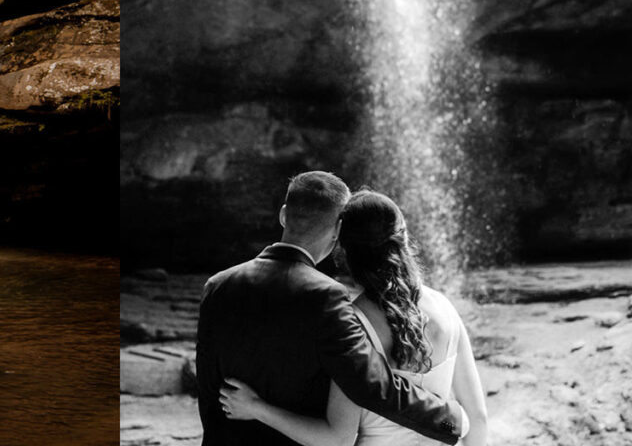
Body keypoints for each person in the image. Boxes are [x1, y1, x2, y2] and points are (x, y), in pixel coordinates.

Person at [196, 171, 469, 446]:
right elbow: (374, 385)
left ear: (282, 215)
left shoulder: (217, 286)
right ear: (338, 230)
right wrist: (451, 420)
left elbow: (208, 390)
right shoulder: (326, 296)